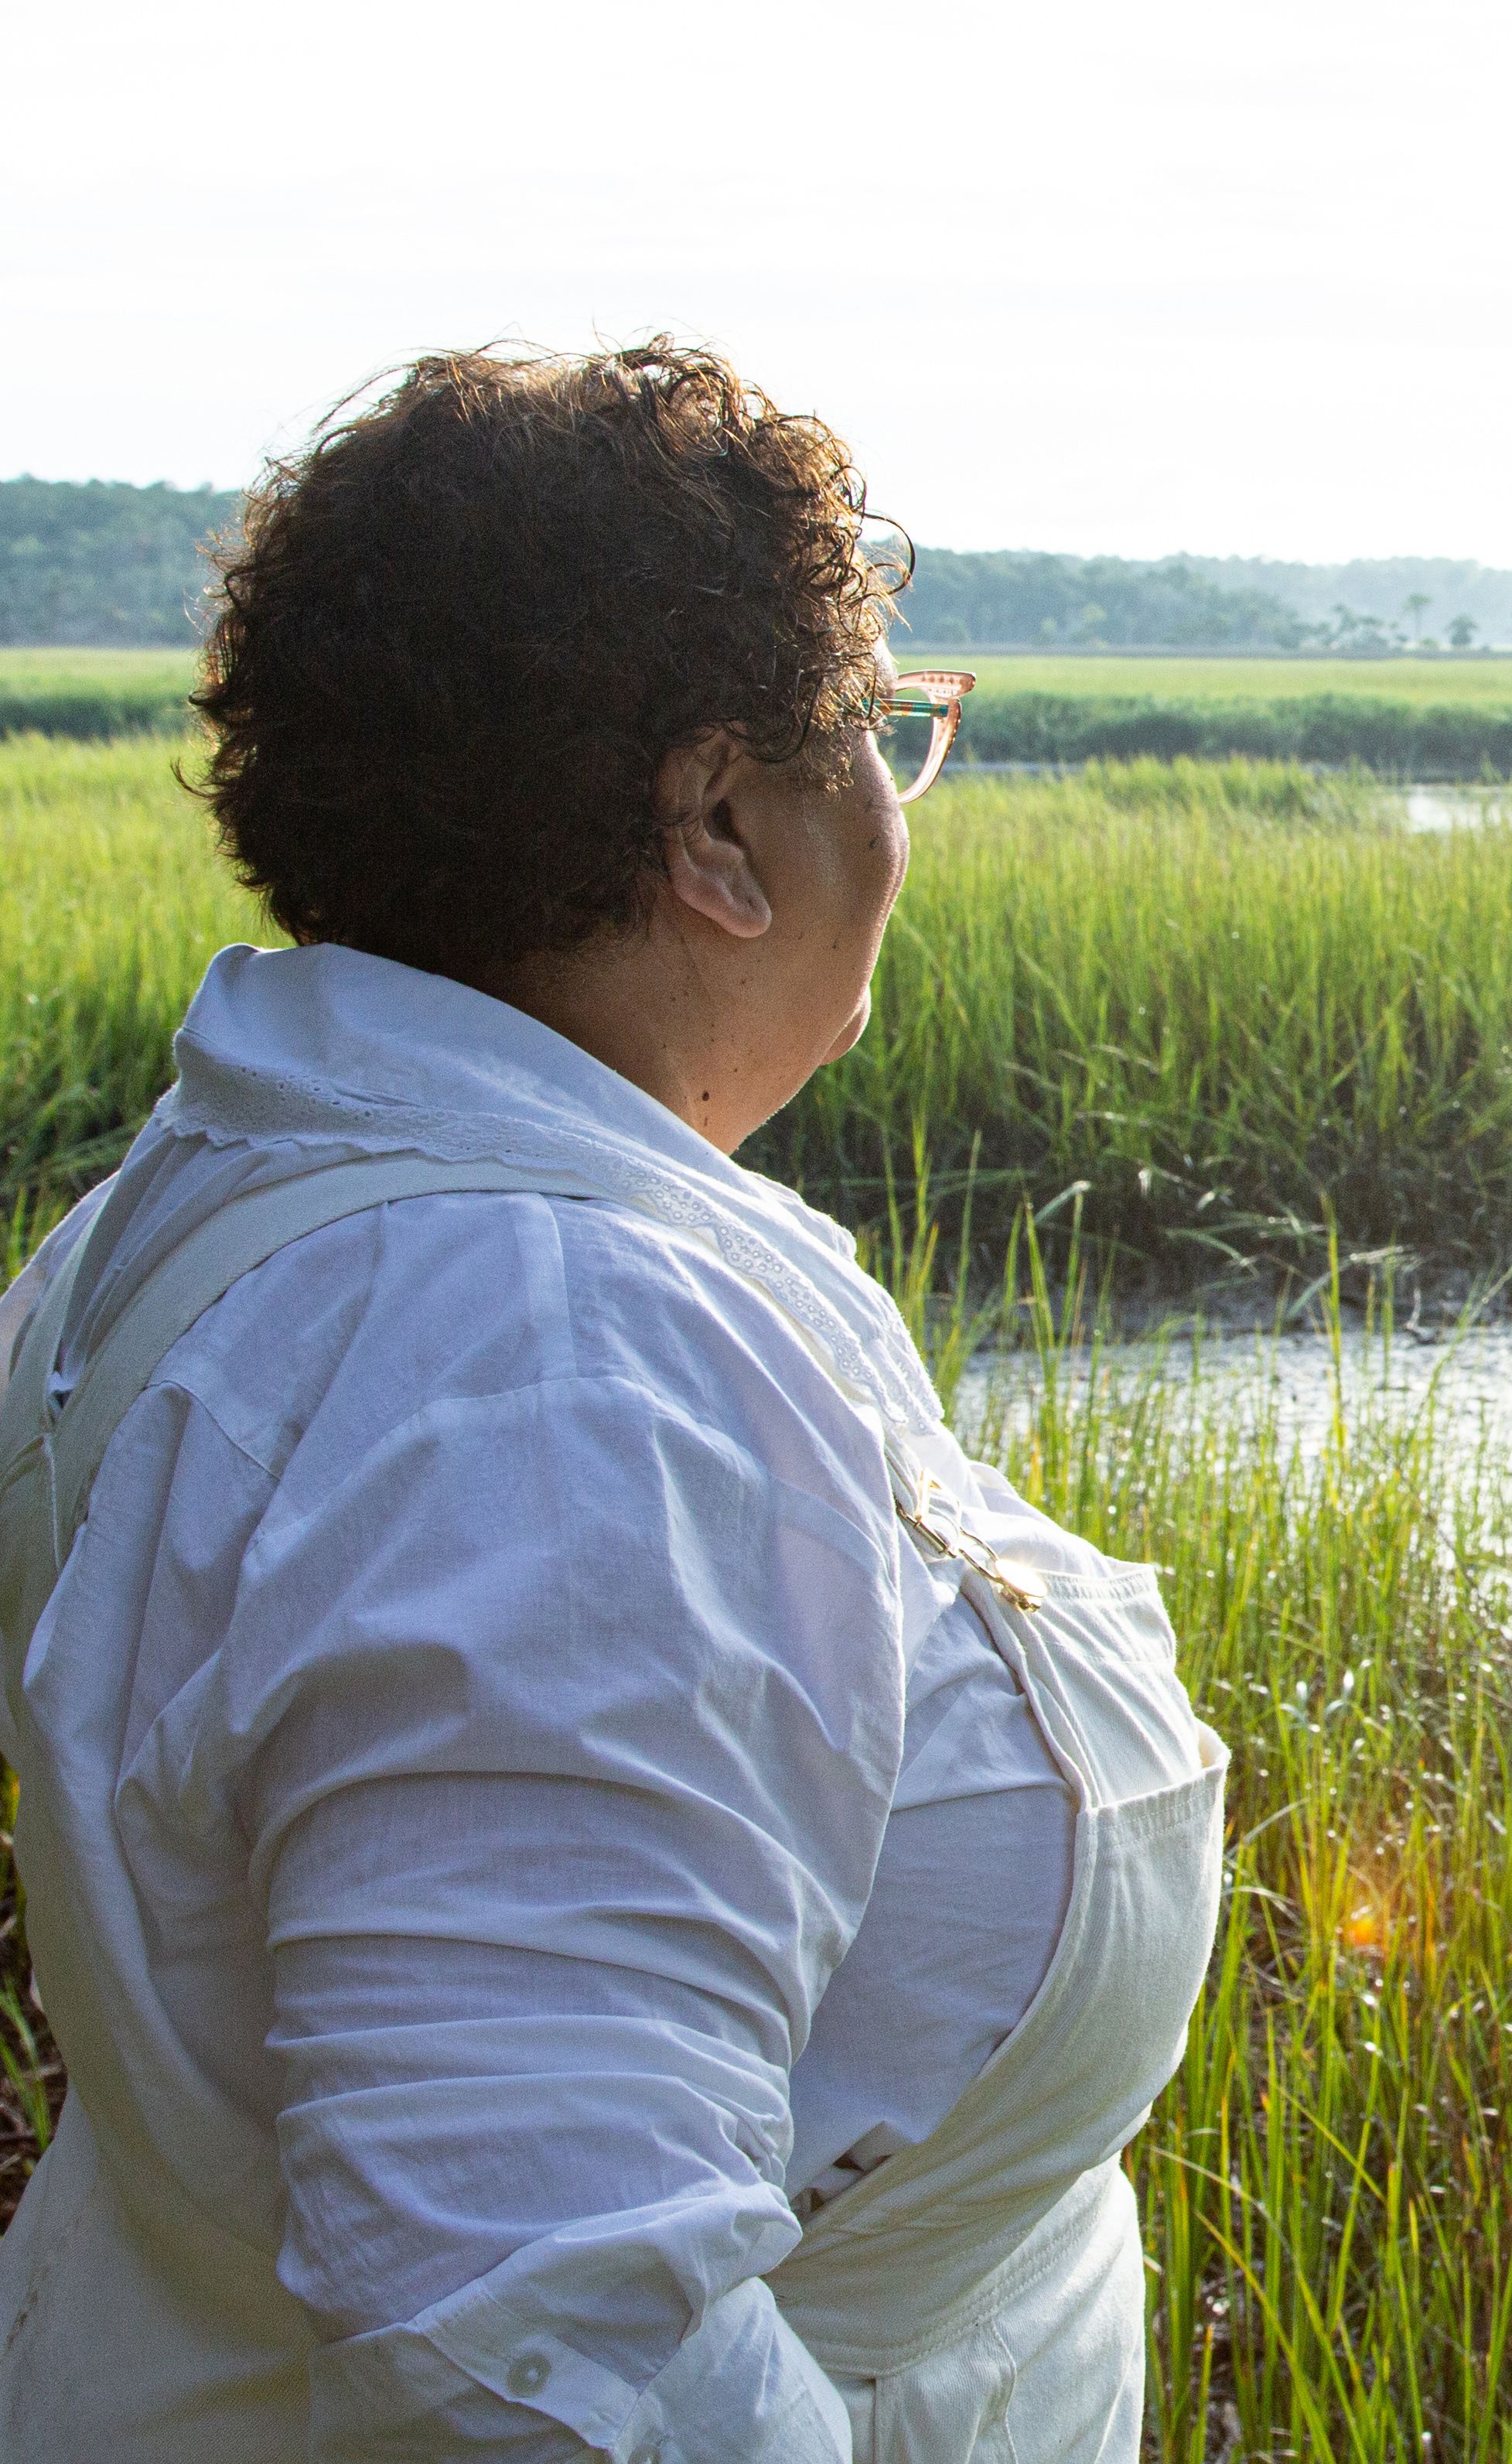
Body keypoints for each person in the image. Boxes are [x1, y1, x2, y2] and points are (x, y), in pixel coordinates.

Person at [0, 343, 1224, 2462]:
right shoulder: (543, 1363)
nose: (894, 805)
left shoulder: (234, 1209)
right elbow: (530, 2331)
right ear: (720, 825)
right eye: (876, 735)